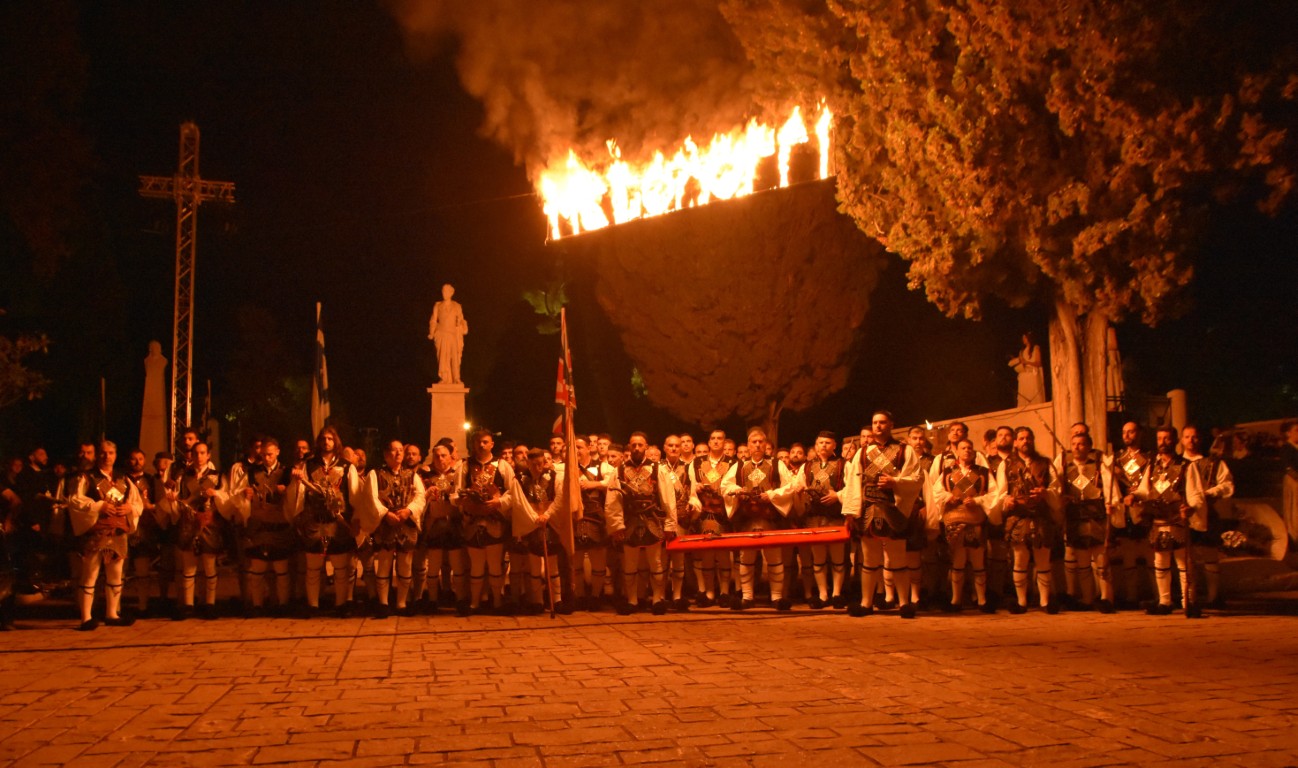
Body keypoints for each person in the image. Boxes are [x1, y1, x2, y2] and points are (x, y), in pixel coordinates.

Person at [842, 411, 924, 618]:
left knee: (897, 559)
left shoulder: (904, 451)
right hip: (868, 508)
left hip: (893, 508)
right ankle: (866, 603)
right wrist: (851, 512)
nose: (878, 426)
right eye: (875, 423)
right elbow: (852, 483)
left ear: (891, 424)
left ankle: (904, 603)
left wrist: (895, 482)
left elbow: (916, 478)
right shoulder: (861, 453)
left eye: (882, 422)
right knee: (869, 559)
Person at [67, 441, 142, 630]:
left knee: (116, 575)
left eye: (110, 453)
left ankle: (112, 613)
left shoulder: (123, 479)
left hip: (118, 532)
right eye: (103, 453)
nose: (107, 456)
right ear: (97, 455)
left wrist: (129, 508)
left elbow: (136, 502)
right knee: (90, 574)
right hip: (97, 533)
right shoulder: (88, 478)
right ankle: (86, 617)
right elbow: (75, 500)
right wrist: (99, 506)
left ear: (115, 455)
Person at [286, 427, 361, 617]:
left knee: (340, 567)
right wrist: (296, 482)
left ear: (336, 441)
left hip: (338, 522)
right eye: (324, 438)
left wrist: (355, 520)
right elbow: (300, 495)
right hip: (315, 521)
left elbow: (354, 496)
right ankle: (312, 605)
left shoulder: (346, 466)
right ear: (319, 441)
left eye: (330, 438)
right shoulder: (308, 465)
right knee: (313, 567)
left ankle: (341, 604)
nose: (327, 442)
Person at [721, 427, 799, 611]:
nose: (757, 445)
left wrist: (772, 495)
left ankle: (777, 598)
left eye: (760, 442)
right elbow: (725, 486)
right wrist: (736, 491)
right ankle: (747, 597)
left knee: (774, 557)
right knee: (746, 557)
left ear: (766, 445)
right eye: (753, 442)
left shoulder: (777, 464)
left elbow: (791, 487)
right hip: (747, 519)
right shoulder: (739, 466)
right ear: (748, 445)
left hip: (770, 519)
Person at [1134, 426, 1206, 616]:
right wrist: (1134, 496)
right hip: (1158, 518)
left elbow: (1195, 492)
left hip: (1177, 517)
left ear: (1174, 441)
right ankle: (1165, 601)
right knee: (1160, 561)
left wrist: (1191, 507)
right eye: (1159, 439)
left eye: (1166, 439)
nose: (1162, 443)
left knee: (1183, 563)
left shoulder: (1186, 466)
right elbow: (1144, 489)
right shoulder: (1152, 465)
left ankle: (1188, 602)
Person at [608, 432, 677, 615]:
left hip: (652, 520)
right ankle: (632, 600)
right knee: (630, 564)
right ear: (629, 448)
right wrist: (616, 525)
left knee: (655, 562)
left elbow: (668, 498)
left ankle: (657, 599)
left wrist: (670, 524)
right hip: (629, 521)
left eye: (640, 445)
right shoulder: (619, 470)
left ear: (646, 446)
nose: (637, 448)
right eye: (633, 445)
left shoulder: (657, 469)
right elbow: (613, 500)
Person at [359, 440, 426, 618]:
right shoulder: (376, 474)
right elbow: (370, 498)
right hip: (385, 524)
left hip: (406, 523)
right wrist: (385, 513)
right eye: (393, 451)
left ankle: (402, 603)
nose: (398, 454)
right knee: (384, 562)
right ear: (386, 454)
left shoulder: (412, 475)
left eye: (400, 451)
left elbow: (420, 497)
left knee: (405, 564)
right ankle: (383, 603)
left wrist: (409, 510)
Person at [997, 427, 1061, 614]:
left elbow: (1055, 488)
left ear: (1033, 440)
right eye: (1021, 438)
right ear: (1016, 442)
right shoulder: (1006, 464)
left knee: (1043, 560)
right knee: (1020, 559)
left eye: (1028, 438)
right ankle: (1022, 602)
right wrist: (1006, 499)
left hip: (1041, 515)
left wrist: (1045, 493)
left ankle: (1044, 602)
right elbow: (1000, 491)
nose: (1025, 441)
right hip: (1018, 516)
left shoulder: (1045, 463)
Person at [226, 439, 294, 615]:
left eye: (270, 454)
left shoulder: (286, 471)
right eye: (263, 455)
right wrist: (246, 493)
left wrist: (286, 489)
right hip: (259, 524)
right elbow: (240, 493)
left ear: (278, 452)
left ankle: (283, 605)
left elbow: (295, 496)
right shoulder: (252, 472)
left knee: (281, 568)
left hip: (279, 524)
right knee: (257, 568)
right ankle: (257, 605)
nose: (267, 458)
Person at [163, 442, 227, 620]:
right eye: (196, 453)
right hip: (188, 523)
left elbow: (226, 497)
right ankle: (188, 605)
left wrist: (216, 495)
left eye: (202, 453)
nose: (199, 456)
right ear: (191, 455)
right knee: (189, 567)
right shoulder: (182, 476)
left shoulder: (217, 476)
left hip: (209, 524)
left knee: (209, 566)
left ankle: (210, 604)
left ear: (208, 455)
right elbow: (178, 500)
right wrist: (173, 500)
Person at [932, 438, 997, 612]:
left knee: (978, 561)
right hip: (955, 521)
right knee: (958, 560)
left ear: (974, 452)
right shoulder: (947, 472)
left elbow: (993, 493)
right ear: (957, 452)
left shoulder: (983, 472)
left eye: (970, 448)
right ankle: (956, 600)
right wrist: (948, 498)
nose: (967, 450)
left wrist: (977, 500)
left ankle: (982, 601)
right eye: (963, 448)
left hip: (976, 520)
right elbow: (936, 492)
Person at [1057, 433, 1120, 612]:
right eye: (1074, 444)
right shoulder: (1065, 467)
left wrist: (1112, 503)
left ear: (1089, 446)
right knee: (1083, 562)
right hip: (1076, 519)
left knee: (1101, 560)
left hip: (1097, 518)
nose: (1077, 447)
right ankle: (1087, 599)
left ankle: (1107, 598)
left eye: (1081, 444)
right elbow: (1056, 489)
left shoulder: (1099, 467)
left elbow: (1110, 488)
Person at [458, 428, 514, 614]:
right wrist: (467, 504)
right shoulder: (465, 465)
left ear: (492, 444)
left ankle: (497, 601)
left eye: (485, 442)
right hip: (473, 522)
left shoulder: (503, 466)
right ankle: (474, 603)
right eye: (478, 442)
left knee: (495, 564)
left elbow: (513, 492)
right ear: (473, 444)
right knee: (476, 564)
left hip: (495, 521)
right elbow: (457, 491)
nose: (481, 445)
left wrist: (498, 502)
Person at [1181, 425, 1233, 609]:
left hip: (1208, 513)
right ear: (1181, 440)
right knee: (1187, 558)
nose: (1191, 440)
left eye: (1194, 437)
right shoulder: (1177, 463)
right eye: (1187, 437)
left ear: (1200, 439)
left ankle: (1214, 597)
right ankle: (1190, 598)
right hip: (1183, 515)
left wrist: (1209, 493)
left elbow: (1227, 484)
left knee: (1210, 554)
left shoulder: (1213, 463)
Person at [511, 448, 568, 614]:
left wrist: (547, 515)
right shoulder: (521, 480)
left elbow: (559, 498)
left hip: (550, 524)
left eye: (540, 464)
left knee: (553, 565)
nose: (538, 467)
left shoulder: (555, 477)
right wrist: (533, 518)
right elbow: (519, 501)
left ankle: (557, 600)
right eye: (534, 464)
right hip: (531, 524)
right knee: (534, 565)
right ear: (528, 463)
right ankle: (537, 601)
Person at [412, 443, 466, 615]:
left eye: (444, 455)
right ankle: (433, 600)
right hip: (434, 527)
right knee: (433, 566)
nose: (441, 459)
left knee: (457, 566)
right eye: (437, 456)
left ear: (451, 457)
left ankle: (460, 599)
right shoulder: (424, 476)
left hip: (454, 526)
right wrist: (428, 496)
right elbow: (418, 498)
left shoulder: (458, 475)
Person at [799, 431, 847, 609]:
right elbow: (798, 484)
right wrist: (801, 489)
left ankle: (837, 594)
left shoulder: (844, 465)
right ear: (816, 445)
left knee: (837, 558)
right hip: (814, 517)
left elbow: (853, 487)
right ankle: (823, 595)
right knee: (818, 558)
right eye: (820, 443)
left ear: (835, 445)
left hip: (835, 516)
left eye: (828, 443)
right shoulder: (807, 466)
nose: (824, 446)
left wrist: (838, 495)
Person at [687, 429, 735, 607]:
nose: (716, 442)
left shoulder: (733, 463)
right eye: (713, 439)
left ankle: (724, 592)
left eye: (719, 439)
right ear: (708, 442)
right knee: (707, 552)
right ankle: (709, 592)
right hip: (704, 512)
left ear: (724, 442)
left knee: (723, 553)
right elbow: (691, 487)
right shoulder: (698, 462)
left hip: (724, 512)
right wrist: (697, 490)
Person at [124, 448, 169, 617]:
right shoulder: (121, 479)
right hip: (124, 528)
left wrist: (150, 507)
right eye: (134, 459)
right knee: (120, 571)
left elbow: (159, 503)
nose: (137, 462)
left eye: (140, 459)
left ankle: (143, 606)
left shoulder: (151, 480)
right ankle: (117, 609)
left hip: (144, 530)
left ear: (144, 461)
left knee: (142, 572)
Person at [1112, 421, 1152, 607]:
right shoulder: (1116, 459)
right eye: (1124, 432)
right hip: (1125, 510)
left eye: (1131, 432)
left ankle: (1160, 596)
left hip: (1146, 510)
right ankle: (1131, 596)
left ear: (1139, 433)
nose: (1127, 435)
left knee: (1152, 555)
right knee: (1128, 556)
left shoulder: (1150, 457)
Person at [660, 434, 695, 611]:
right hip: (662, 518)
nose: (674, 448)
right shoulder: (658, 468)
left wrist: (693, 505)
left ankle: (677, 596)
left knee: (679, 559)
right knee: (662, 560)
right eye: (670, 445)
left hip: (681, 518)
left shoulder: (688, 468)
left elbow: (693, 493)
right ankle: (660, 596)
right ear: (664, 447)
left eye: (677, 446)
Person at [428, 283, 468, 385]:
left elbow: (461, 319)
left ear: (451, 293)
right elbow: (433, 320)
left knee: (454, 356)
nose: (444, 293)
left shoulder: (457, 306)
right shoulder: (437, 306)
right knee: (442, 357)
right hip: (441, 334)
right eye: (443, 291)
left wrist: (462, 326)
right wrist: (431, 333)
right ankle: (444, 378)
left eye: (446, 291)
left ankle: (456, 378)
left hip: (453, 334)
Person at [1009, 332, 1045, 405]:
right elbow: (1021, 362)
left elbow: (1038, 362)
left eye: (1024, 337)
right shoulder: (1021, 351)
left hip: (1032, 375)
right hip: (1024, 376)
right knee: (1024, 394)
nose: (1023, 339)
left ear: (1029, 338)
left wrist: (1027, 362)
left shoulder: (1035, 348)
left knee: (1033, 394)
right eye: (1022, 338)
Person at [1282, 420, 1298, 544]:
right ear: (1288, 433)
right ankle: (1294, 537)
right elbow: (1288, 468)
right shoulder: (1287, 448)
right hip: (1294, 481)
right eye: (1296, 431)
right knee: (1293, 509)